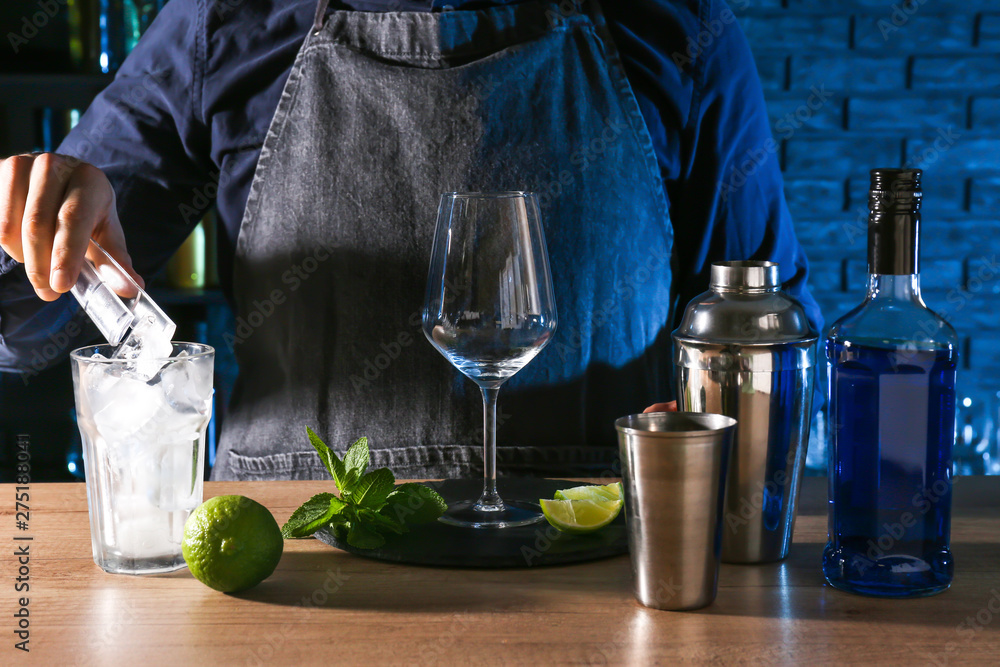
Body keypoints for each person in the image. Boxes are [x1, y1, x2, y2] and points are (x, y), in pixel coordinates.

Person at [0, 0, 820, 481]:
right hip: (292, 577)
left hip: (598, 574)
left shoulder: (677, 25)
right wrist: (25, 225)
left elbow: (776, 338)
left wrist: (728, 422)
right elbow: (25, 332)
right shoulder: (224, 22)